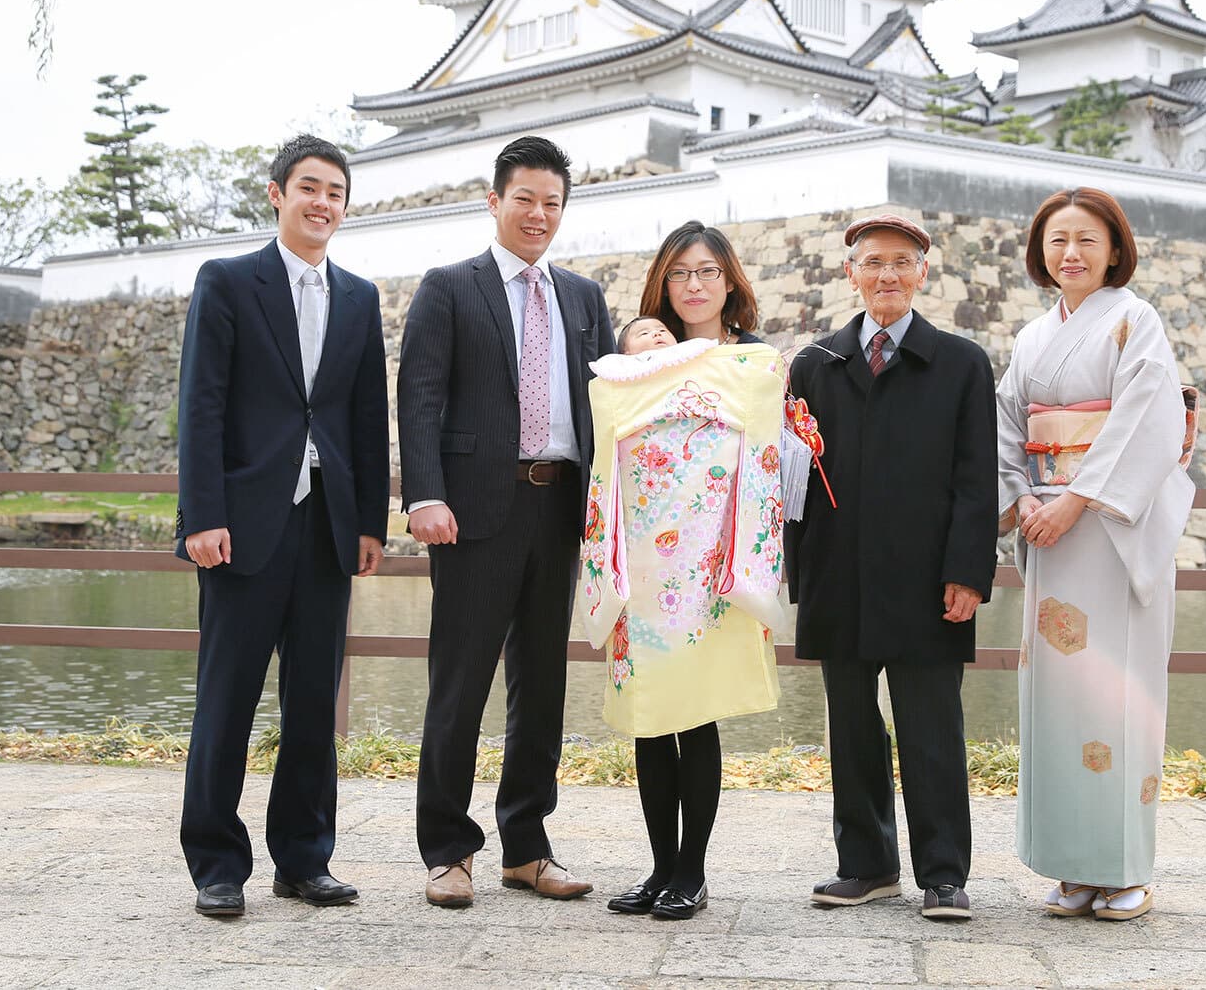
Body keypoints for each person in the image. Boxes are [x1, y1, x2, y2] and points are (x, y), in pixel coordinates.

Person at [174, 134, 389, 919]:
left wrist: (370, 521)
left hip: (327, 525)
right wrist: (203, 514)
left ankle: (304, 858)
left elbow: (368, 418)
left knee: (311, 705)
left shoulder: (360, 297)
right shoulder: (228, 282)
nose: (322, 201)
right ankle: (216, 864)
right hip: (243, 525)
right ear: (276, 193)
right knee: (226, 697)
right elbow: (200, 403)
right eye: (309, 187)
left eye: (335, 190)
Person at [398, 135, 616, 908]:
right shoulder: (449, 287)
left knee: (543, 684)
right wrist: (424, 493)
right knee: (459, 682)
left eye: (552, 202)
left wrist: (609, 505)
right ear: (494, 201)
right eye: (524, 197)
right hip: (472, 511)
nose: (538, 213)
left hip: (559, 505)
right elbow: (420, 396)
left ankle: (527, 845)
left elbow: (607, 404)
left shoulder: (585, 298)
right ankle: (448, 849)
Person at [786, 213, 998, 921]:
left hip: (928, 577)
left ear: (922, 273)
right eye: (872, 262)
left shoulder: (962, 362)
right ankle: (867, 863)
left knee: (931, 726)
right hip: (836, 573)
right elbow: (791, 477)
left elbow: (977, 479)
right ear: (850, 273)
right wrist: (793, 571)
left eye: (901, 262)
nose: (886, 275)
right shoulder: (815, 362)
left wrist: (968, 571)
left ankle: (943, 872)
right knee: (850, 725)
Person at [998, 187, 1196, 922]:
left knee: (1120, 696)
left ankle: (1125, 867)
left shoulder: (1134, 321)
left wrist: (1075, 498)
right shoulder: (1030, 338)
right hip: (1048, 525)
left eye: (1086, 239)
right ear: (1040, 252)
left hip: (1110, 530)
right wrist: (1022, 496)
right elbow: (1008, 426)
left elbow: (1148, 417)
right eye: (1057, 241)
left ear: (1115, 248)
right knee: (1059, 698)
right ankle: (1074, 865)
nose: (1070, 253)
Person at [588, 223, 785, 921]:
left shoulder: (754, 363)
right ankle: (659, 866)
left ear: (730, 280)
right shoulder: (636, 360)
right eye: (679, 274)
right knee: (650, 717)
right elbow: (607, 445)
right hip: (645, 559)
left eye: (706, 271)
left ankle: (692, 870)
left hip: (711, 564)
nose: (693, 285)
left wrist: (749, 562)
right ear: (662, 286)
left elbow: (763, 461)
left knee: (695, 716)